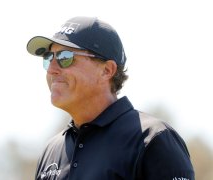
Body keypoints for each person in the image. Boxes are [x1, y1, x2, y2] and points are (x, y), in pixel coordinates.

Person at [26, 16, 195, 180]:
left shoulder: (153, 138)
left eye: (65, 57)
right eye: (49, 58)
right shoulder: (51, 151)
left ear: (107, 70)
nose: (51, 69)